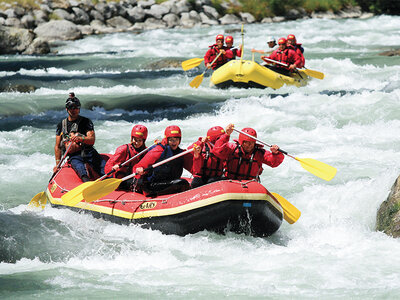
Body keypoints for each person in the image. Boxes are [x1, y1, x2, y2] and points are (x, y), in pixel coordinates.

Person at [54, 95, 105, 182]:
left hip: (88, 152)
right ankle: (87, 185)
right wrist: (57, 164)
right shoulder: (61, 125)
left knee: (104, 170)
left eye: (76, 108)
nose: (74, 110)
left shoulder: (86, 122)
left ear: (79, 109)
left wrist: (81, 138)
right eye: (71, 108)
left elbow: (92, 140)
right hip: (74, 156)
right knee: (81, 172)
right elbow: (58, 146)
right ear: (67, 109)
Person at [133, 125, 193, 197]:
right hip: (153, 186)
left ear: (179, 140)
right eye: (171, 140)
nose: (174, 142)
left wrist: (196, 156)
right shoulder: (159, 150)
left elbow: (194, 170)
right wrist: (140, 168)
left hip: (168, 183)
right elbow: (139, 166)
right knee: (182, 183)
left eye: (176, 140)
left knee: (183, 183)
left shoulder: (181, 153)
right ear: (167, 140)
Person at [212, 124, 284, 181]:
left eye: (252, 143)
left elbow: (273, 163)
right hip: (231, 181)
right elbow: (217, 151)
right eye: (246, 142)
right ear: (241, 142)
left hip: (250, 183)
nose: (249, 145)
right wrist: (227, 135)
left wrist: (276, 153)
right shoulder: (232, 148)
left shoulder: (259, 153)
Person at [104, 124, 148, 189]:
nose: (137, 143)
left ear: (144, 141)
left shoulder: (146, 151)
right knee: (142, 184)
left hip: (135, 177)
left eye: (140, 140)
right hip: (121, 180)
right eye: (135, 139)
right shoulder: (123, 149)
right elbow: (107, 168)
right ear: (132, 138)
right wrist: (113, 168)